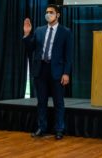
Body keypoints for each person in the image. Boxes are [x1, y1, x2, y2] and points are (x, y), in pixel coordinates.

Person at [23, 4, 73, 140]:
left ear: (58, 15)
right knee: (41, 102)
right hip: (40, 70)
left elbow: (69, 56)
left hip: (57, 71)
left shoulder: (66, 32)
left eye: (51, 12)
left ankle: (59, 129)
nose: (48, 14)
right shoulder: (39, 30)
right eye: (46, 12)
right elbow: (30, 48)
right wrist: (27, 34)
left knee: (58, 102)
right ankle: (41, 128)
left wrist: (66, 73)